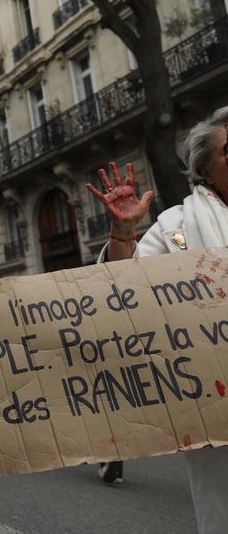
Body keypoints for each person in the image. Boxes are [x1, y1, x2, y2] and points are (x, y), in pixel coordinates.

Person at [86, 106, 228, 532]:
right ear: (205, 168)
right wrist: (123, 235)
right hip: (216, 407)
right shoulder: (177, 225)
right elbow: (121, 293)